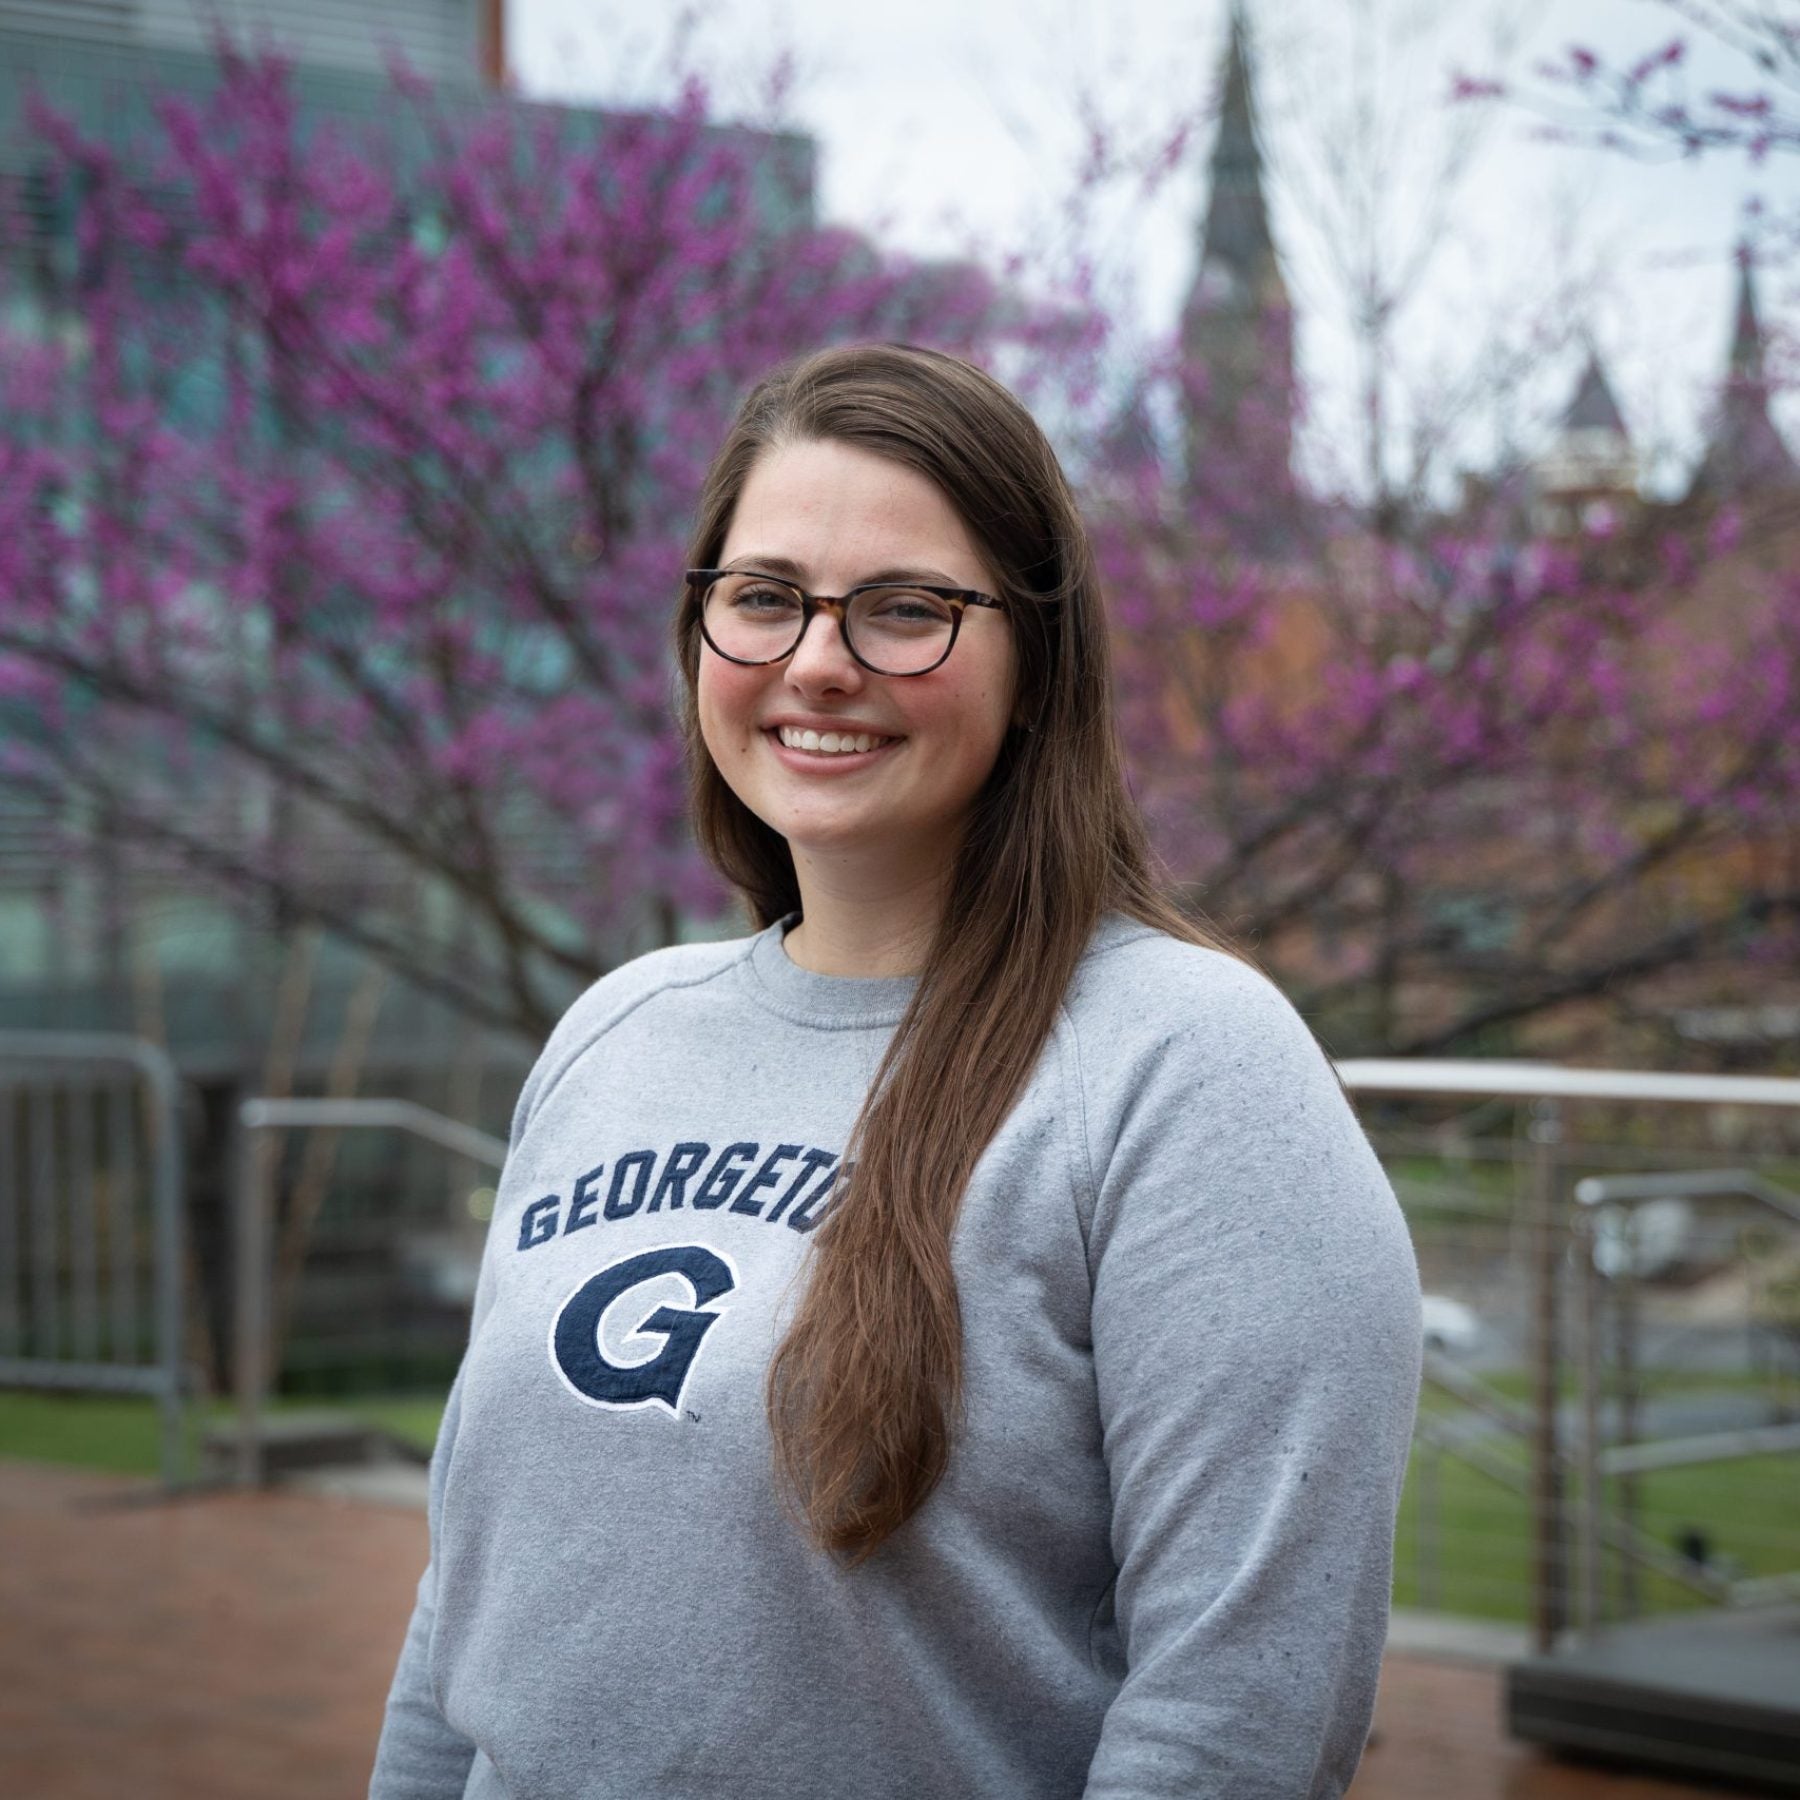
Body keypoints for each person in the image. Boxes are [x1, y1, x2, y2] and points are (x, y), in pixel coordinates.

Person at [369, 343, 1421, 1800]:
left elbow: (1241, 1709)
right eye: (765, 598)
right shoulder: (616, 1031)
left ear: (1035, 658)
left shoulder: (1186, 1068)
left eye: (906, 610)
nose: (817, 661)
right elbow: (470, 1598)